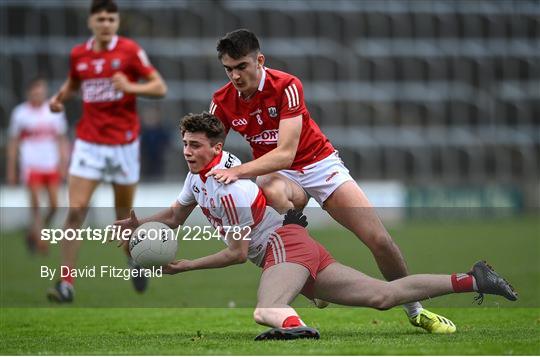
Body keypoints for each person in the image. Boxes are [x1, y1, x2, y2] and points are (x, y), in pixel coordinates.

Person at [115, 112, 517, 340]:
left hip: (283, 248)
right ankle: (473, 279)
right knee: (382, 296)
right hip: (294, 247)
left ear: (216, 149)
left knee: (267, 309)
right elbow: (174, 216)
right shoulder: (197, 176)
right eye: (185, 144)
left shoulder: (230, 188)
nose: (187, 151)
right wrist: (139, 223)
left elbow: (238, 254)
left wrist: (183, 266)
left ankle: (298, 330)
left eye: (195, 145)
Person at [206, 29, 455, 333]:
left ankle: (415, 310)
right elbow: (210, 152)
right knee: (268, 188)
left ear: (259, 60)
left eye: (241, 66)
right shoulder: (221, 101)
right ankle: (308, 259)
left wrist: (237, 172)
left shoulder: (286, 85)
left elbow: (286, 153)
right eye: (228, 69)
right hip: (280, 176)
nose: (234, 75)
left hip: (318, 165)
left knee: (379, 241)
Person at [46, 0, 167, 303]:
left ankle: (133, 260)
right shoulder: (79, 54)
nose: (105, 23)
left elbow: (159, 87)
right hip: (88, 143)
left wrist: (130, 87)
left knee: (121, 217)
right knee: (75, 211)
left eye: (110, 19)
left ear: (116, 22)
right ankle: (66, 283)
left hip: (123, 145)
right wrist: (59, 98)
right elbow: (75, 82)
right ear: (91, 22)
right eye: (100, 18)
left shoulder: (129, 51)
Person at [6, 77, 70, 255]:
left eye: (41, 91)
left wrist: (64, 163)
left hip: (51, 164)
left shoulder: (54, 110)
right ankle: (41, 242)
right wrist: (11, 169)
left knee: (55, 205)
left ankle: (36, 232)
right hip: (31, 164)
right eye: (35, 91)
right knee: (35, 204)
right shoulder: (20, 113)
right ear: (29, 93)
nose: (38, 95)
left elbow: (61, 139)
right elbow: (13, 142)